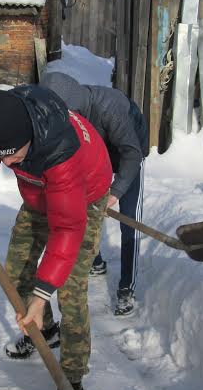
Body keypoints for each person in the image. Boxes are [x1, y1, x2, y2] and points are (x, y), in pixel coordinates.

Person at [0, 86, 112, 390]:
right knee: (16, 272)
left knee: (69, 290)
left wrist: (41, 297)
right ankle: (45, 329)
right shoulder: (0, 124)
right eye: (5, 158)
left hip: (83, 197)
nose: (11, 164)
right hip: (38, 195)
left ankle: (72, 375)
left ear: (31, 134)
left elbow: (67, 229)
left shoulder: (61, 150)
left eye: (15, 154)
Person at [40, 71, 149, 317]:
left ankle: (126, 289)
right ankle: (96, 262)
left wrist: (116, 191)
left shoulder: (110, 110)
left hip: (129, 152)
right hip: (98, 152)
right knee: (84, 206)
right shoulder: (70, 114)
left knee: (130, 223)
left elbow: (132, 154)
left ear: (73, 109)